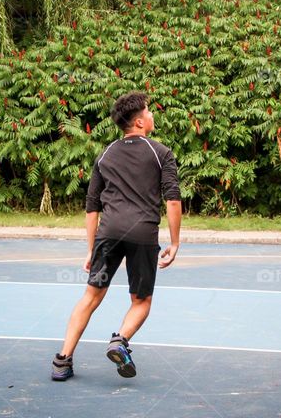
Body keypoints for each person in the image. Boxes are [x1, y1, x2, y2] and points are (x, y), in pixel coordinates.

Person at [51, 91, 182, 380]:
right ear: (138, 122)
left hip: (108, 234)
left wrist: (90, 249)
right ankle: (120, 341)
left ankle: (62, 361)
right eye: (149, 112)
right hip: (143, 235)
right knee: (141, 301)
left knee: (90, 296)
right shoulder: (161, 153)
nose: (152, 116)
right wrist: (174, 243)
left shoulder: (106, 154)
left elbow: (92, 205)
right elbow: (172, 199)